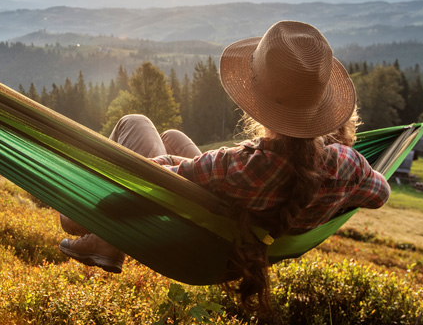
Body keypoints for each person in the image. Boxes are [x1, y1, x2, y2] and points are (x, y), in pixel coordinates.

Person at [57, 20, 390, 311]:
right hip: (241, 240)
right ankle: (107, 242)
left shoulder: (233, 167)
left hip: (194, 241)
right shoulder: (349, 166)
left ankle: (106, 241)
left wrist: (92, 200)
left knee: (135, 123)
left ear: (256, 102)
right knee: (172, 135)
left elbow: (146, 189)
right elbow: (380, 194)